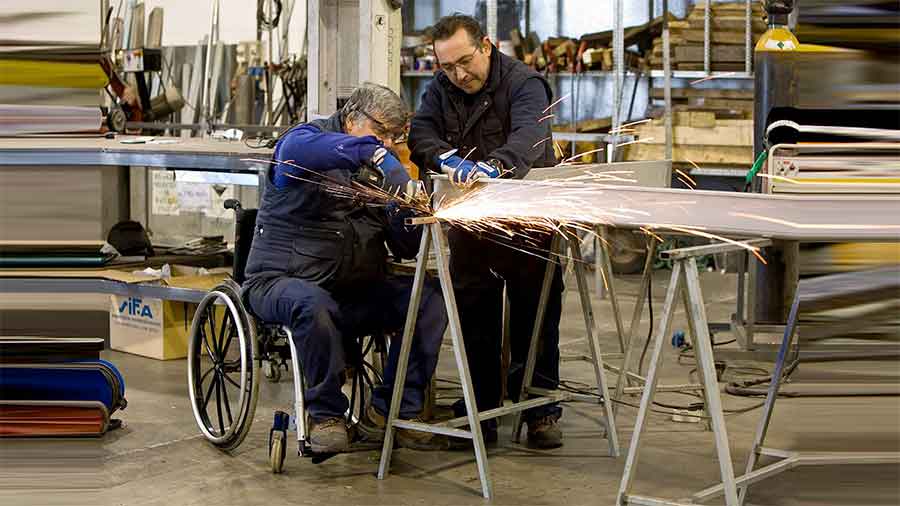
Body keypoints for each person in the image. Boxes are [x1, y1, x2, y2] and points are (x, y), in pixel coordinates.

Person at [243, 84, 449, 453]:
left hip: (350, 291)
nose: (387, 143)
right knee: (312, 303)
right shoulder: (303, 142)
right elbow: (309, 150)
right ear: (352, 119)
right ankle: (326, 415)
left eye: (393, 137)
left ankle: (393, 410)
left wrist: (410, 211)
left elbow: (405, 248)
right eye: (381, 132)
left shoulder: (380, 172)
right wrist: (375, 154)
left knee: (430, 298)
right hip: (282, 282)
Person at [408, 14, 564, 449]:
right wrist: (448, 160)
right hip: (472, 221)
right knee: (475, 314)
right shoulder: (441, 88)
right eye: (447, 67)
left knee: (535, 311)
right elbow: (420, 133)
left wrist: (494, 168)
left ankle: (540, 409)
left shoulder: (524, 83)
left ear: (487, 46)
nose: (459, 75)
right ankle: (479, 409)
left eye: (465, 63)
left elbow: (532, 137)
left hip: (529, 219)